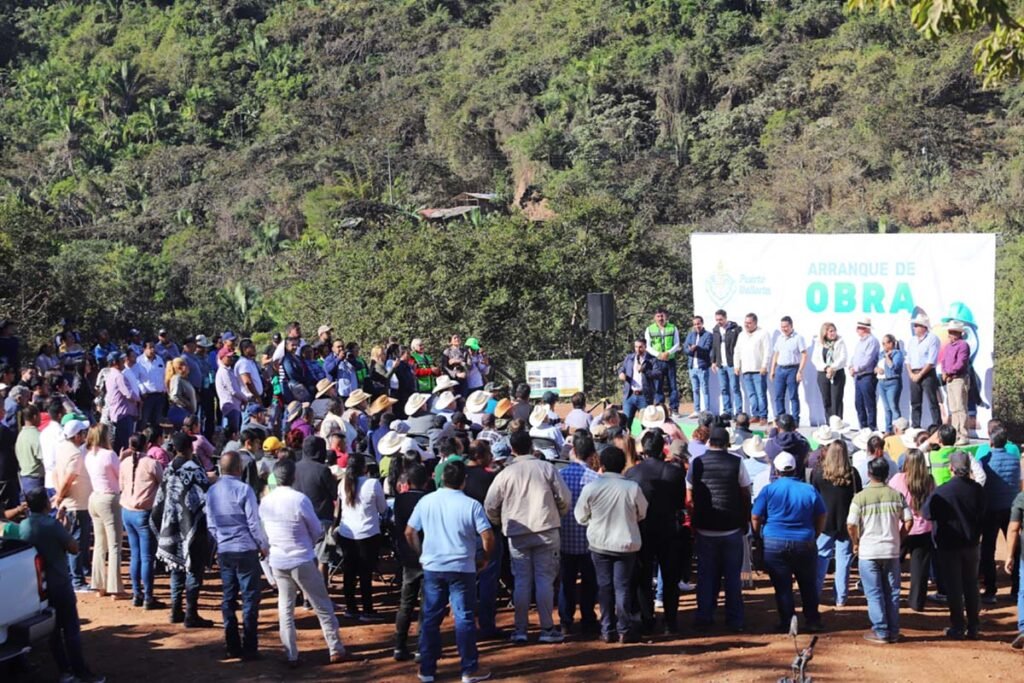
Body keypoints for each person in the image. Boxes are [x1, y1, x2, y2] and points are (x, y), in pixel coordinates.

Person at [405, 459, 494, 683]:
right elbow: (488, 536)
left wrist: (420, 555)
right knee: (463, 618)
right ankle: (468, 669)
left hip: (433, 567)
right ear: (463, 481)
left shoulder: (426, 501)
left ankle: (427, 670)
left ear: (441, 479)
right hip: (462, 567)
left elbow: (409, 532)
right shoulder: (471, 505)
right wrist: (485, 557)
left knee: (430, 618)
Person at [261, 458, 351, 668]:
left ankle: (291, 653)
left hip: (278, 559)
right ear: (293, 477)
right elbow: (317, 530)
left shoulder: (266, 501)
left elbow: (264, 532)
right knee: (322, 605)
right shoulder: (299, 499)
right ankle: (335, 648)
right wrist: (308, 544)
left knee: (285, 608)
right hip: (301, 557)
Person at [484, 430, 571, 644]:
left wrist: (501, 522)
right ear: (532, 447)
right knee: (544, 580)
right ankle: (547, 628)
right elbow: (565, 498)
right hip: (546, 529)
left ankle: (521, 629)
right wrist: (554, 514)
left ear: (512, 450)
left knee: (521, 581)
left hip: (517, 533)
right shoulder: (546, 468)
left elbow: (490, 505)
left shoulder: (505, 474)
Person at [19, 488, 106, 683]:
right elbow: (74, 548)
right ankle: (80, 671)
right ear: (45, 504)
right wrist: (63, 528)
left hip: (39, 588)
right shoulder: (51, 525)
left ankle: (64, 671)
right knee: (71, 630)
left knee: (54, 631)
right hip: (60, 583)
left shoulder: (24, 526)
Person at [574, 445, 648, 644]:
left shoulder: (591, 487)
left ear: (602, 465)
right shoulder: (632, 488)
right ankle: (624, 629)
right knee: (622, 587)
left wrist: (595, 523)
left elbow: (580, 516)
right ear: (623, 465)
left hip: (599, 544)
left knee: (604, 586)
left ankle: (607, 629)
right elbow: (642, 513)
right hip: (626, 544)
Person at [752, 452, 826, 632]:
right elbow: (822, 514)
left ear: (776, 470)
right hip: (804, 541)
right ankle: (812, 620)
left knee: (782, 585)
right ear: (795, 469)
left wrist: (758, 536)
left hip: (774, 542)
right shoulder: (808, 489)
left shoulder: (769, 490)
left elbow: (755, 515)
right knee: (807, 583)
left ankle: (787, 621)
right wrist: (815, 534)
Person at [687, 426, 752, 631]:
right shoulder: (737, 462)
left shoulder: (696, 463)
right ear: (727, 444)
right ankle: (735, 621)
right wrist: (744, 519)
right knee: (732, 577)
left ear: (709, 442)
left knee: (706, 576)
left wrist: (695, 519)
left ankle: (704, 617)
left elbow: (689, 497)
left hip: (706, 529)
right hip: (731, 529)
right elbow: (745, 493)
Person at [206, 450, 268, 660]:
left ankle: (232, 644)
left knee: (228, 597)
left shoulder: (212, 492)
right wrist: (262, 545)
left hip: (225, 551)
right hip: (246, 550)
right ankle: (250, 646)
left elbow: (211, 524)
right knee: (250, 598)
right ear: (238, 469)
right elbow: (253, 522)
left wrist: (222, 540)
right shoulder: (245, 490)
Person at [847, 457, 912, 644]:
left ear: (869, 474)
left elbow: (851, 524)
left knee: (874, 593)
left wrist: (856, 541)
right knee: (892, 591)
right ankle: (893, 630)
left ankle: (881, 631)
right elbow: (908, 521)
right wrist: (899, 537)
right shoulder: (896, 495)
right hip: (891, 550)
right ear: (887, 474)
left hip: (868, 552)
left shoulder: (860, 497)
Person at [152, 432, 214, 628]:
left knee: (176, 567)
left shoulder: (170, 468)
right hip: (191, 526)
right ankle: (191, 613)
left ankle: (175, 609)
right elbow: (205, 495)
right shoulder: (193, 468)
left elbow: (161, 497)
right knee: (194, 567)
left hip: (172, 525)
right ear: (188, 448)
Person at [627, 428, 685, 634]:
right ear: (663, 448)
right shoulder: (675, 472)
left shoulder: (632, 473)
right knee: (670, 577)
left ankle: (647, 619)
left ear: (643, 450)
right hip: (668, 529)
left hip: (642, 529)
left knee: (643, 576)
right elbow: (680, 503)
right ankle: (670, 621)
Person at [924, 450, 986, 639]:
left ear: (951, 468)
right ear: (968, 468)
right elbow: (984, 514)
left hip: (948, 546)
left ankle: (958, 626)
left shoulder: (942, 491)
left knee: (954, 586)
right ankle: (974, 626)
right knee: (971, 585)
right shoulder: (977, 490)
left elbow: (927, 514)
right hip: (971, 544)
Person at [558, 430, 600, 635]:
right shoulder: (595, 479)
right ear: (592, 454)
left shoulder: (560, 475)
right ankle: (588, 618)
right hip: (588, 540)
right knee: (589, 582)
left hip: (565, 539)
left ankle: (565, 620)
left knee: (566, 582)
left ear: (573, 451)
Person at [336, 452, 388, 620]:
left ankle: (351, 608)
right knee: (365, 573)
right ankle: (367, 610)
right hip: (368, 534)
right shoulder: (373, 484)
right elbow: (382, 509)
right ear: (364, 468)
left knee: (349, 572)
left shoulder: (342, 483)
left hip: (346, 533)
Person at [811, 441, 861, 608]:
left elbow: (814, 495)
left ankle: (815, 594)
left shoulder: (819, 473)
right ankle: (841, 598)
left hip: (824, 522)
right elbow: (858, 497)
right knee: (843, 562)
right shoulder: (852, 474)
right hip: (846, 523)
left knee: (820, 558)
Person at [119, 432, 164, 609]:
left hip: (127, 511)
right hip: (143, 513)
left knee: (135, 555)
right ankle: (148, 597)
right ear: (146, 446)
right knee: (147, 557)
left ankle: (137, 594)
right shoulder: (152, 464)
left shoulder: (124, 463)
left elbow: (121, 485)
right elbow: (163, 482)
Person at [888, 448, 935, 612]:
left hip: (902, 529)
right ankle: (917, 602)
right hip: (924, 529)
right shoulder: (929, 480)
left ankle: (889, 597)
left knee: (892, 564)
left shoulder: (898, 479)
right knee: (920, 569)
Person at [392, 462, 429, 661]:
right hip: (427, 556)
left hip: (408, 558)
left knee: (406, 603)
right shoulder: (429, 500)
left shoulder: (400, 500)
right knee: (425, 603)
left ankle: (399, 645)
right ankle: (421, 647)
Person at [979, 427, 1020, 603]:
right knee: (1016, 548)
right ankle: (1016, 588)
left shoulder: (984, 460)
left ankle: (990, 590)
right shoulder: (1015, 460)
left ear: (991, 441)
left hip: (990, 509)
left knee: (988, 549)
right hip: (1011, 508)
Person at [84, 424, 124, 598]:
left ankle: (99, 585)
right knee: (114, 545)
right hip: (109, 499)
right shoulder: (109, 455)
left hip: (95, 498)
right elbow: (120, 477)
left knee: (101, 544)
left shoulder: (89, 456)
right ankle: (115, 588)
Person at [55, 418, 93, 592]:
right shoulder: (75, 454)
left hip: (73, 503)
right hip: (76, 504)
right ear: (77, 436)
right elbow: (69, 478)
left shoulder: (63, 449)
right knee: (77, 542)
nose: (85, 435)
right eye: (83, 433)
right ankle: (77, 581)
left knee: (76, 540)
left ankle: (76, 575)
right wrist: (60, 497)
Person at [733, 313, 771, 425]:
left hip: (759, 369)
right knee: (751, 394)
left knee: (761, 394)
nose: (747, 325)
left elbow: (767, 351)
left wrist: (764, 365)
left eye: (749, 323)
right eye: (745, 323)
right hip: (746, 369)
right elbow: (737, 351)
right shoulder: (741, 335)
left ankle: (763, 416)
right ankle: (755, 415)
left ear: (755, 323)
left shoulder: (763, 333)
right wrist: (737, 366)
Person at [905, 313, 941, 429]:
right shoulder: (912, 341)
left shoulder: (932, 339)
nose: (914, 327)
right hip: (914, 372)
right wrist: (911, 373)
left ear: (923, 327)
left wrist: (920, 374)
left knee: (932, 401)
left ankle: (937, 426)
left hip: (927, 373)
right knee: (915, 402)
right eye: (914, 325)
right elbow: (908, 359)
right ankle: (915, 426)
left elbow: (931, 360)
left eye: (916, 325)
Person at [770, 316, 807, 426]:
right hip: (780, 369)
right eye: (782, 327)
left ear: (791, 326)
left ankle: (795, 420)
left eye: (786, 326)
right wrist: (772, 369)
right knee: (778, 396)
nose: (784, 329)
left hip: (793, 369)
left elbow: (804, 355)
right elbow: (776, 354)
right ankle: (780, 419)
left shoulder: (798, 338)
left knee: (793, 396)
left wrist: (800, 371)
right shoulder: (780, 338)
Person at [645, 307, 682, 417]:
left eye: (662, 316)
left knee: (673, 385)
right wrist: (658, 354)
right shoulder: (649, 329)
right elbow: (647, 346)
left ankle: (674, 408)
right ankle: (660, 408)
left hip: (670, 360)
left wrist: (668, 353)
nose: (660, 318)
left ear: (666, 317)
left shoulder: (673, 328)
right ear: (654, 318)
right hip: (656, 361)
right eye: (658, 316)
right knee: (658, 386)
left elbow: (677, 343)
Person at [617, 338, 659, 432]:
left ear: (645, 347)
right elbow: (622, 368)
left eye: (640, 347)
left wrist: (645, 371)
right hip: (630, 395)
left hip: (644, 396)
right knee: (625, 424)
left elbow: (658, 374)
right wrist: (621, 374)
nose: (638, 349)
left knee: (646, 425)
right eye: (636, 347)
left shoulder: (651, 359)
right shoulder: (629, 358)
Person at [940, 320, 971, 445]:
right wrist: (944, 372)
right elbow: (943, 361)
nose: (950, 335)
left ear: (959, 333)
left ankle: (963, 434)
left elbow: (961, 362)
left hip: (959, 378)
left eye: (952, 332)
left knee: (961, 406)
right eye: (949, 332)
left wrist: (948, 372)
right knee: (953, 408)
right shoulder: (948, 347)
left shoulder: (963, 345)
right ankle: (955, 434)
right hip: (950, 379)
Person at [848, 318, 880, 431]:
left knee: (869, 403)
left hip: (867, 375)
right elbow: (855, 357)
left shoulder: (872, 341)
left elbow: (868, 359)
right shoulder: (860, 342)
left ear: (865, 329)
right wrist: (851, 366)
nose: (857, 330)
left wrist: (855, 368)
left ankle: (871, 428)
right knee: (859, 403)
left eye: (859, 327)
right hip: (858, 376)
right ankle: (863, 427)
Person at [104, 351, 139, 454]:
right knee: (127, 445)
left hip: (116, 414)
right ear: (115, 362)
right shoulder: (119, 376)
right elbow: (128, 394)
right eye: (121, 360)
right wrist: (138, 399)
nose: (124, 362)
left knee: (118, 445)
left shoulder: (110, 375)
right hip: (124, 414)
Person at [710, 309, 742, 418]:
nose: (719, 321)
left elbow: (739, 347)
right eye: (717, 319)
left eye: (721, 319)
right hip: (720, 364)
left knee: (735, 388)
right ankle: (727, 411)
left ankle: (738, 412)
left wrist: (738, 362)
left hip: (731, 363)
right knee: (724, 388)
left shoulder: (735, 329)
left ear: (725, 318)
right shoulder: (715, 330)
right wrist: (713, 361)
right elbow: (714, 347)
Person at [815, 322, 848, 424]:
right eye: (830, 331)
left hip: (837, 373)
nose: (833, 333)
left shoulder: (840, 342)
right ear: (825, 332)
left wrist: (832, 368)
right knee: (827, 400)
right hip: (823, 374)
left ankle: (837, 425)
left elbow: (843, 358)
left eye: (834, 331)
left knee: (836, 400)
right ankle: (829, 425)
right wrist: (826, 368)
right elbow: (815, 359)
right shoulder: (819, 343)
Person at [683, 316, 713, 418]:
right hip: (692, 367)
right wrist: (691, 350)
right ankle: (696, 410)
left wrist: (697, 348)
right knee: (695, 389)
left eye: (698, 324)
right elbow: (685, 349)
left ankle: (707, 411)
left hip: (702, 366)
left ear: (702, 323)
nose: (696, 326)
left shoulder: (708, 335)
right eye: (695, 324)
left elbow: (707, 349)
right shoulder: (690, 335)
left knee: (705, 389)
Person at [1005, 487, 1024, 649]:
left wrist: (1010, 555)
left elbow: (1013, 529)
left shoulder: (1021, 498)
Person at [216, 345, 247, 438]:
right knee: (231, 433)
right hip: (230, 406)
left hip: (234, 405)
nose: (231, 359)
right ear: (222, 358)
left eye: (231, 357)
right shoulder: (223, 372)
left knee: (234, 432)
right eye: (228, 357)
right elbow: (233, 390)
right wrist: (244, 399)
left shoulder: (228, 370)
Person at [136, 341, 167, 432]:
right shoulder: (139, 361)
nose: (153, 350)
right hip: (147, 396)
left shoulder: (159, 359)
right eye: (150, 347)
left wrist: (165, 389)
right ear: (144, 349)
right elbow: (136, 378)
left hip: (159, 395)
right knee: (143, 421)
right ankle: (140, 442)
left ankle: (154, 442)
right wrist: (143, 391)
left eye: (154, 347)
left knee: (157, 421)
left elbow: (164, 375)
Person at [877, 334, 904, 434]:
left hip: (892, 382)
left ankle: (899, 429)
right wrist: (877, 369)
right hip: (881, 382)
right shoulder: (881, 354)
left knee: (893, 407)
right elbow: (876, 366)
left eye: (887, 343)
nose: (884, 345)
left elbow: (895, 368)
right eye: (883, 343)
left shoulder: (897, 354)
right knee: (886, 408)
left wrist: (888, 358)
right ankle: (888, 430)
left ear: (892, 343)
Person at [15, 403, 44, 495]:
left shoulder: (21, 435)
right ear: (35, 417)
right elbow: (44, 458)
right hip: (36, 480)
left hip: (24, 479)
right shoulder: (36, 436)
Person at [165, 357, 196, 428]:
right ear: (180, 367)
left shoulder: (184, 379)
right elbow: (174, 396)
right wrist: (187, 404)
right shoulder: (177, 378)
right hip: (180, 412)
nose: (188, 367)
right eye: (186, 365)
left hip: (186, 412)